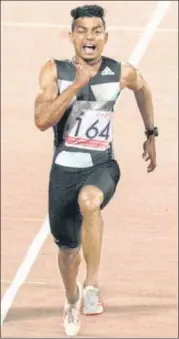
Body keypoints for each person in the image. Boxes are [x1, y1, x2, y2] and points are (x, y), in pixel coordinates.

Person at [34, 4, 158, 337]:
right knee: (67, 251)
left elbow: (143, 88)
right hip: (63, 171)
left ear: (106, 36)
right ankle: (72, 296)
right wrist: (76, 86)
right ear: (72, 35)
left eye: (96, 31)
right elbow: (42, 121)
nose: (90, 37)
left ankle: (91, 285)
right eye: (82, 30)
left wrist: (151, 134)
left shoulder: (121, 72)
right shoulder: (53, 70)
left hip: (102, 165)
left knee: (91, 203)